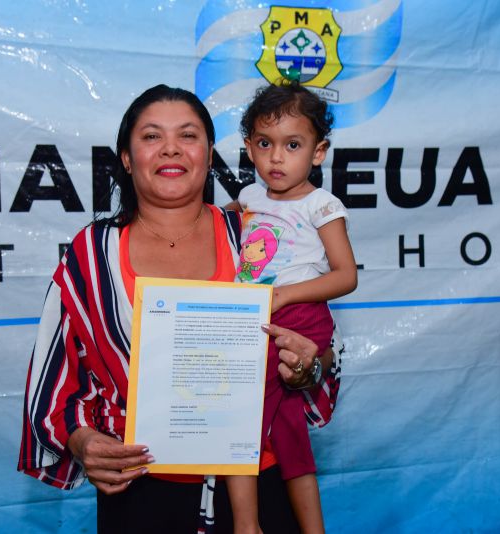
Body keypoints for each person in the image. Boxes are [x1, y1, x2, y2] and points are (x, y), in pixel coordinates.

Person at [18, 84, 343, 533]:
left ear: (210, 155)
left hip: (259, 483)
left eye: (188, 135)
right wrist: (82, 440)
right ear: (127, 158)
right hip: (141, 490)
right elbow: (54, 379)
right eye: (152, 136)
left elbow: (321, 343)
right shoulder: (91, 254)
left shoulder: (256, 233)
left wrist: (310, 366)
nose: (171, 147)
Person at [225, 82, 357, 534]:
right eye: (265, 144)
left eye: (293, 145)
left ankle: (246, 525)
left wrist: (282, 295)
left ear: (318, 152)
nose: (277, 157)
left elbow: (345, 275)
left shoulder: (322, 205)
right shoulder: (247, 198)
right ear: (248, 148)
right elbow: (213, 228)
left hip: (298, 318)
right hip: (257, 319)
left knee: (236, 414)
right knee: (288, 435)